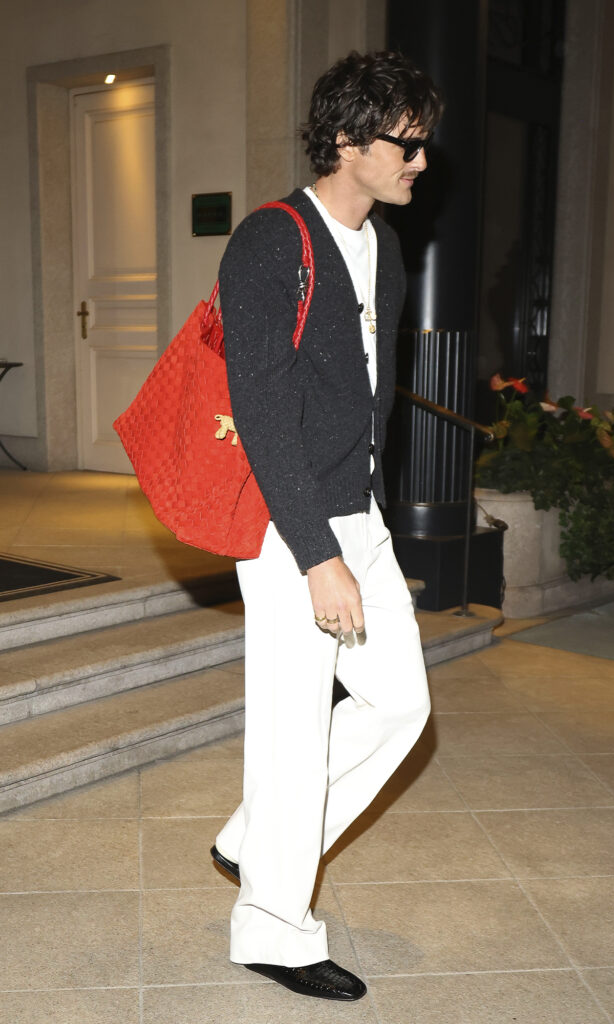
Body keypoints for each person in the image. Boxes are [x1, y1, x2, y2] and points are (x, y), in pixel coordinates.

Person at [212, 50, 443, 1002]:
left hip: (358, 509)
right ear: (346, 139)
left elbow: (366, 393)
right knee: (293, 731)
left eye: (423, 145)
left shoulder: (382, 245)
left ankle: (252, 839)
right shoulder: (270, 242)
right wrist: (317, 554)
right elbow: (262, 409)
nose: (419, 162)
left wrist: (360, 528)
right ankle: (271, 926)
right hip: (289, 522)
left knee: (398, 704)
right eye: (404, 144)